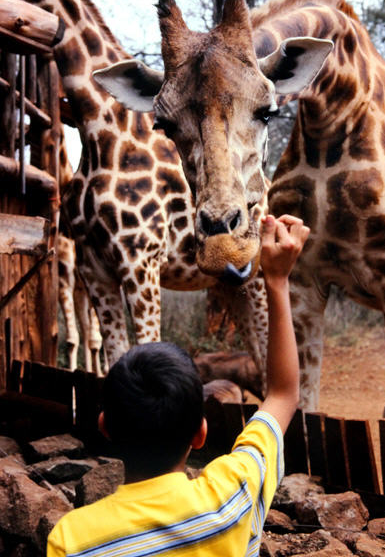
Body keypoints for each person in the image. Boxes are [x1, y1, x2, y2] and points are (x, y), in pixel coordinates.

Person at [47, 214, 310, 557]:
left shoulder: (71, 538)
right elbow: (283, 394)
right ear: (200, 433)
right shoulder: (234, 493)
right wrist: (277, 279)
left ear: (104, 427)